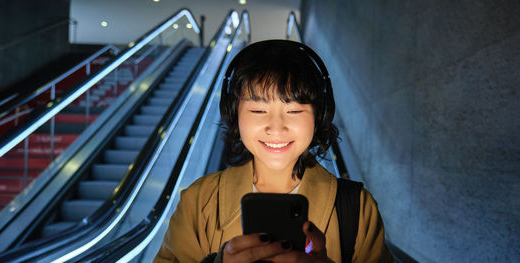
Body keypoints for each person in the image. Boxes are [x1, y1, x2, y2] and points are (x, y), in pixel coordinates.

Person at [155, 40, 394, 262]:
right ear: (234, 114)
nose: (276, 128)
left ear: (318, 116)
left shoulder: (356, 207)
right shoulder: (199, 201)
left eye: (294, 111)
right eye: (258, 111)